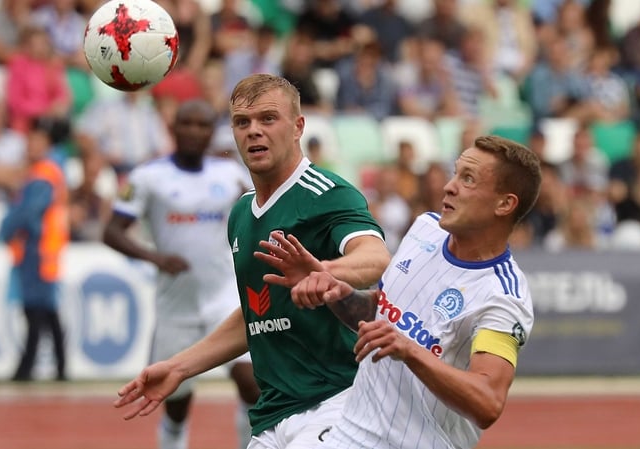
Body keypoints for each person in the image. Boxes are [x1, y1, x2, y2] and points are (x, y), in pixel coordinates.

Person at [113, 74, 392, 449]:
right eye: (242, 122)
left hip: (338, 401)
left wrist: (324, 272)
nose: (253, 131)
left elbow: (375, 257)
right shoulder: (241, 213)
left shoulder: (327, 194)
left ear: (298, 127)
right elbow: (255, 315)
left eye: (267, 119)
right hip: (274, 414)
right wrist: (178, 368)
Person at [277, 135, 540, 449]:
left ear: (505, 204)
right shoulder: (424, 229)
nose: (449, 186)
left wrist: (411, 350)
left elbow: (488, 403)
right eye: (455, 172)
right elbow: (384, 312)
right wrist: (337, 293)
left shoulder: (503, 296)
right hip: (349, 432)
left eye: (467, 179)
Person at [102, 100, 258, 449]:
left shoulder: (231, 174)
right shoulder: (147, 177)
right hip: (176, 308)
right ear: (173, 129)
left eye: (202, 125)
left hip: (224, 300)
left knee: (252, 383)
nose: (193, 132)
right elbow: (111, 231)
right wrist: (155, 257)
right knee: (175, 403)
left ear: (212, 132)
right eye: (186, 124)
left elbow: (254, 218)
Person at [0, 118, 69, 382]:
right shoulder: (46, 171)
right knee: (46, 311)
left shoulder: (43, 174)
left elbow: (28, 213)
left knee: (35, 310)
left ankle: (26, 369)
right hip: (44, 250)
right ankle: (59, 368)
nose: (31, 146)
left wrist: (5, 230)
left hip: (37, 250)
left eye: (37, 141)